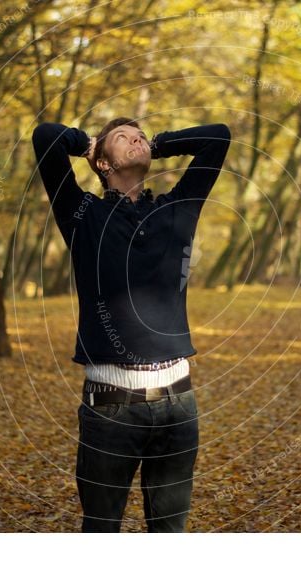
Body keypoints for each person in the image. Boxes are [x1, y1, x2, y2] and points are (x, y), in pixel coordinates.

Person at [31, 115, 231, 532]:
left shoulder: (176, 208)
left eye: (140, 135)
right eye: (123, 138)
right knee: (102, 529)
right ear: (102, 163)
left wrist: (155, 144)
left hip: (178, 406)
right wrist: (88, 143)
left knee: (168, 534)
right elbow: (46, 137)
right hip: (110, 407)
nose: (136, 139)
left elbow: (218, 138)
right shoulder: (82, 215)